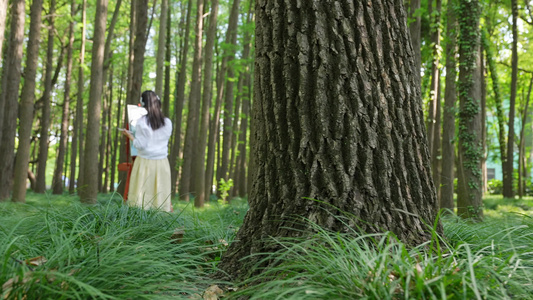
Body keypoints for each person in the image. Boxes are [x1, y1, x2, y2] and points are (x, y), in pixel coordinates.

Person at [122, 90, 173, 212]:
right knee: (160, 196)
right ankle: (161, 223)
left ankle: (141, 224)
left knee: (141, 198)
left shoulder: (142, 122)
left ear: (143, 105)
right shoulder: (167, 122)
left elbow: (141, 145)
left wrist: (130, 136)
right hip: (162, 163)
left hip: (144, 163)